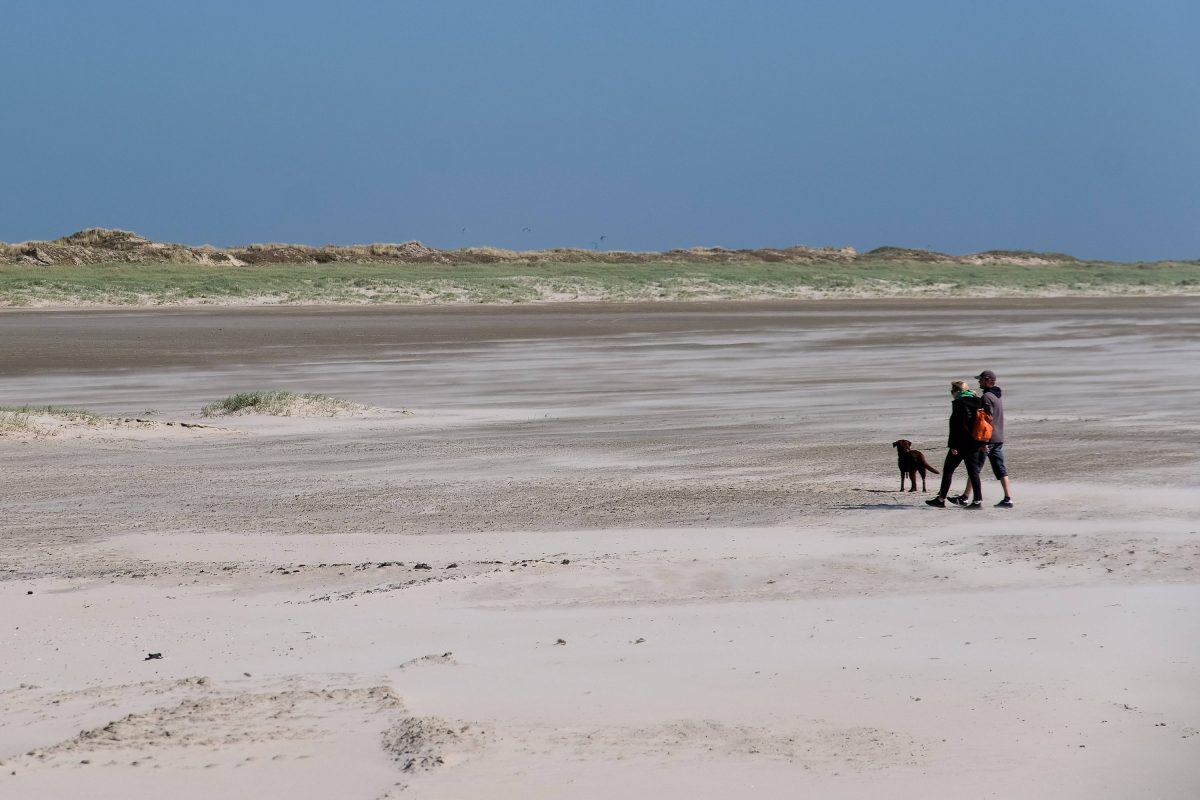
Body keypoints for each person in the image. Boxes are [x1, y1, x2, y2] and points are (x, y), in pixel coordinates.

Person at [948, 369, 1013, 508]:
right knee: (1000, 468)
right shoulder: (997, 396)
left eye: (981, 380)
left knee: (975, 469)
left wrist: (982, 440)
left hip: (988, 438)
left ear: (988, 380)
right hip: (999, 437)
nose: (979, 382)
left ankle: (968, 498)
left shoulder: (986, 398)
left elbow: (985, 419)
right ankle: (1008, 498)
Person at [925, 380, 985, 509]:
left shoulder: (959, 403)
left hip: (961, 444)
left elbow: (958, 426)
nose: (952, 394)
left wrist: (953, 445)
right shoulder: (978, 401)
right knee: (973, 472)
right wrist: (983, 442)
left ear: (957, 391)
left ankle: (941, 500)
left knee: (948, 470)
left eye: (952, 391)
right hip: (975, 442)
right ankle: (977, 501)